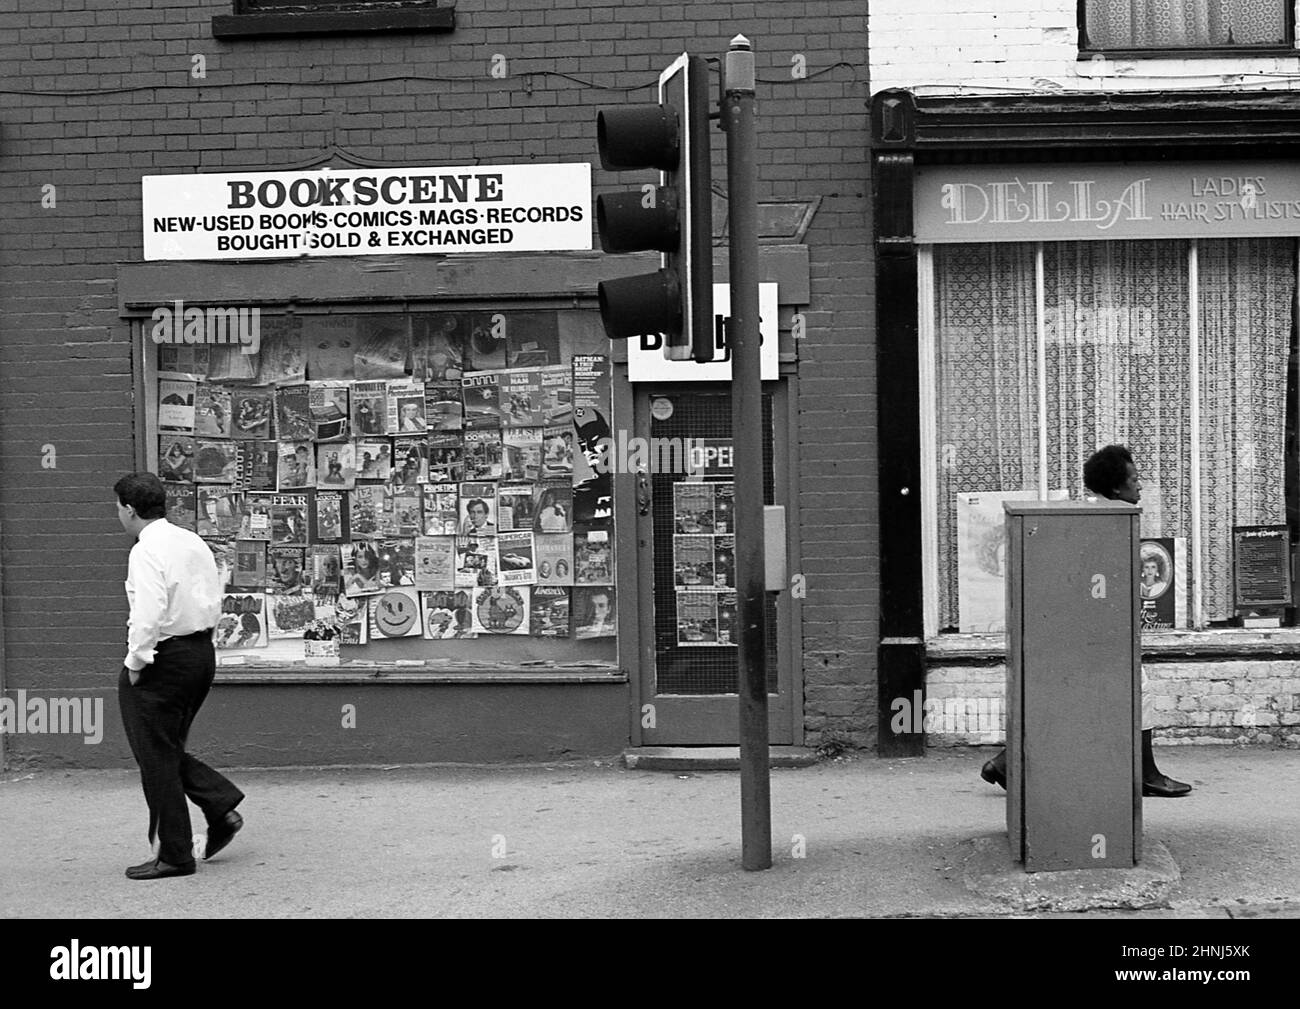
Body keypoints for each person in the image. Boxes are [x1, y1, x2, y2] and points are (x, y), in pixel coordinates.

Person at [980, 445, 1192, 798]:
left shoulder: (1084, 516)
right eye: (1135, 480)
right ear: (1115, 489)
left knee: (1069, 701)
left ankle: (1004, 763)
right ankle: (1146, 773)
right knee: (1137, 690)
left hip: (1066, 632)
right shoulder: (1112, 523)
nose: (1140, 487)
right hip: (1093, 634)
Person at [114, 472, 245, 880]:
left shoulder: (145, 550)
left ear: (131, 509)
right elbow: (213, 595)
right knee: (165, 748)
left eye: (118, 507)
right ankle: (218, 804)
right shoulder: (191, 540)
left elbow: (148, 613)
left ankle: (177, 852)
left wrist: (136, 663)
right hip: (199, 652)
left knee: (154, 755)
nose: (117, 514)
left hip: (163, 658)